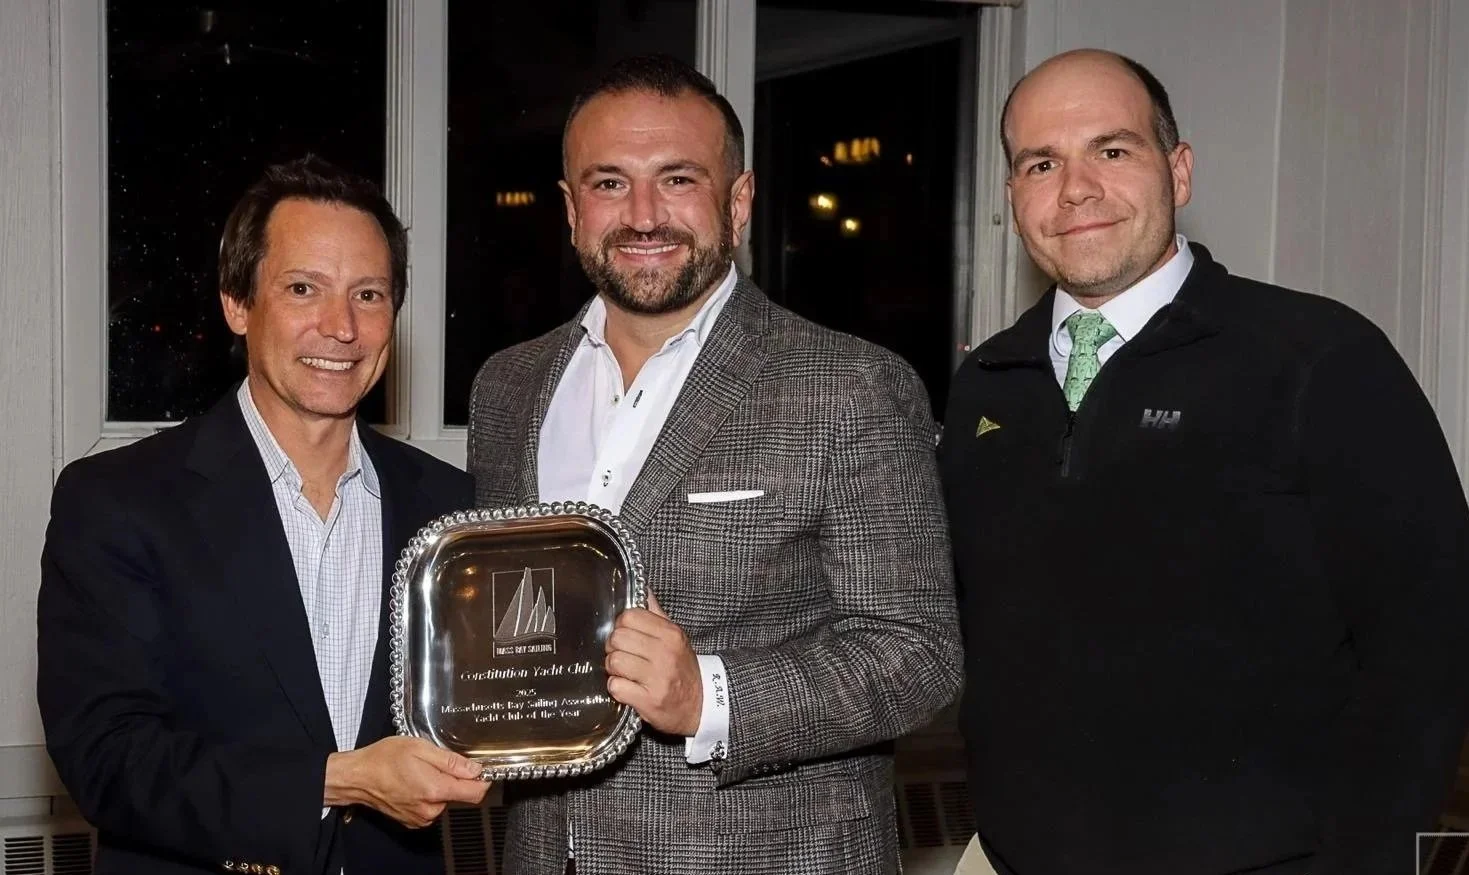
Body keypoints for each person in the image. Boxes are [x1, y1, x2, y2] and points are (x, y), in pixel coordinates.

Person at [942, 49, 1469, 875]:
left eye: (1111, 149)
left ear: (1178, 170)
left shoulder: (1317, 356)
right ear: (1012, 197)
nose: (1074, 188)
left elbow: (1428, 644)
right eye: (1040, 163)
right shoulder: (987, 380)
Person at [467, 55, 963, 875]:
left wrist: (710, 695)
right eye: (609, 183)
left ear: (737, 201)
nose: (643, 215)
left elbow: (917, 654)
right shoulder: (507, 387)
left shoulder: (850, 385)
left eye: (677, 179)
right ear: (571, 208)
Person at [37, 156, 490, 875]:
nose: (341, 327)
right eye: (303, 288)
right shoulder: (117, 500)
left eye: (368, 294)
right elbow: (108, 758)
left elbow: (497, 700)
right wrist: (338, 779)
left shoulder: (450, 507)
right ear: (237, 304)